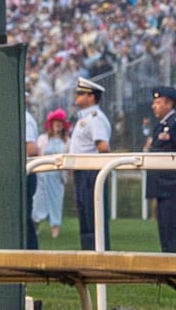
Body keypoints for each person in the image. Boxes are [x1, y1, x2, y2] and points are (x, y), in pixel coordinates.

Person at [146, 86, 176, 253]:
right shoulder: (161, 126)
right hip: (162, 189)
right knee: (164, 234)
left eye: (158, 102)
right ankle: (169, 272)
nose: (154, 106)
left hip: (174, 189)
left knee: (173, 233)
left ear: (169, 104)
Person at [69, 77, 111, 250]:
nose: (76, 96)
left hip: (91, 172)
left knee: (94, 218)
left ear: (91, 97)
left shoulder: (95, 118)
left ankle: (100, 256)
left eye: (81, 93)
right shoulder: (85, 118)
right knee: (86, 218)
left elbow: (103, 146)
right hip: (82, 172)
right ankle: (89, 255)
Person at [32, 108, 70, 239]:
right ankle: (35, 227)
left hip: (57, 177)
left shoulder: (66, 141)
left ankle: (55, 230)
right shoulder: (43, 139)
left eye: (60, 122)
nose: (58, 124)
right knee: (37, 202)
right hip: (42, 175)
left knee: (56, 203)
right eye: (55, 122)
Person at [25, 109, 40, 250]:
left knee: (24, 216)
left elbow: (32, 149)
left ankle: (31, 251)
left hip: (26, 173)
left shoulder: (25, 119)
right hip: (25, 172)